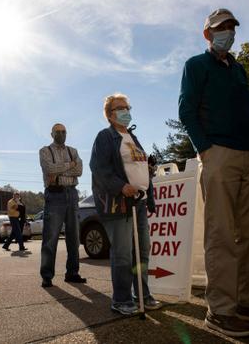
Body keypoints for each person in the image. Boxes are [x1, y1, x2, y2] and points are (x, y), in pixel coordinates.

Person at [178, 8, 249, 337]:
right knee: (222, 234)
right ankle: (222, 311)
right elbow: (186, 110)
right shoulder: (196, 65)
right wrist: (206, 149)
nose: (227, 32)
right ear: (207, 33)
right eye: (220, 28)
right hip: (219, 154)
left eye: (231, 27)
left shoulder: (239, 69)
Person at [89, 93, 162, 316]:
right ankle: (121, 300)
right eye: (119, 108)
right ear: (110, 116)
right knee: (123, 253)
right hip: (119, 203)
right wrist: (121, 186)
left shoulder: (132, 137)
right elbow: (99, 169)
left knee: (142, 250)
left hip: (138, 202)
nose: (125, 111)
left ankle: (142, 294)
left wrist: (149, 197)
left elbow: (141, 169)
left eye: (127, 107)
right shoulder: (104, 137)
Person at [39, 123, 85, 288]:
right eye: (57, 131)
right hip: (55, 194)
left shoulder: (73, 151)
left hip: (72, 194)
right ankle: (47, 276)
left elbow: (79, 170)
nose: (61, 134)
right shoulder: (44, 151)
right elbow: (49, 169)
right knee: (50, 238)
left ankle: (72, 273)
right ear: (52, 134)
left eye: (64, 131)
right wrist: (69, 165)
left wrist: (59, 171)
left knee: (74, 237)